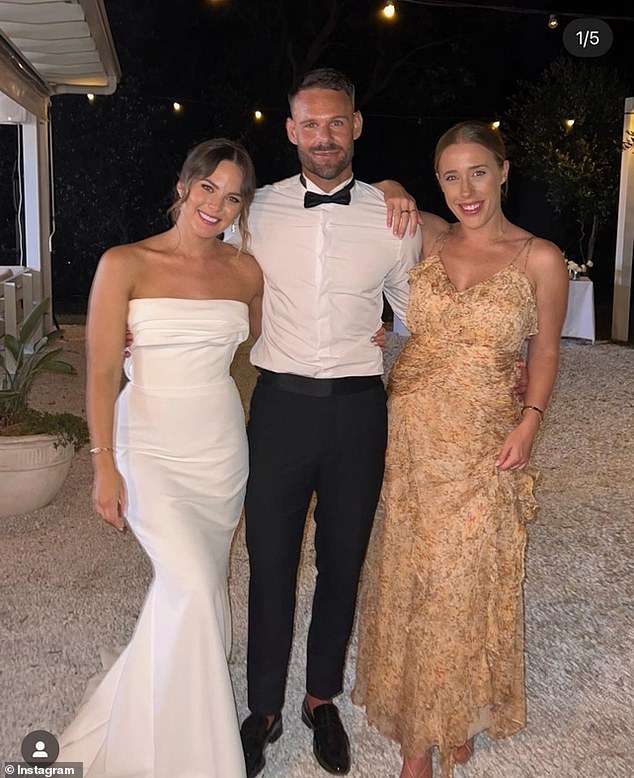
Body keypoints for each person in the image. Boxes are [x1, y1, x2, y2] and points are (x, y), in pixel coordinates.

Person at [352, 120, 569, 778]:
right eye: (450, 175)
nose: (466, 188)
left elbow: (548, 349)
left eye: (478, 171)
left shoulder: (540, 258)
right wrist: (392, 186)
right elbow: (382, 192)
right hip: (410, 437)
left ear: (504, 171)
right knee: (412, 580)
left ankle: (454, 713)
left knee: (466, 583)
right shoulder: (430, 236)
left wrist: (530, 420)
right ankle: (423, 737)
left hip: (484, 442)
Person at [236, 68, 422, 778]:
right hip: (279, 407)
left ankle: (320, 700)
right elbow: (205, 272)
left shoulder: (390, 215)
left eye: (335, 122)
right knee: (271, 565)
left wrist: (394, 338)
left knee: (342, 562)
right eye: (309, 124)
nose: (323, 136)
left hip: (357, 412)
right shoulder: (253, 212)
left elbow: (415, 316)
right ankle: (263, 709)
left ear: (356, 127)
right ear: (290, 131)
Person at [56, 138, 262, 777]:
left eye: (233, 198)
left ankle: (155, 724)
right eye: (208, 188)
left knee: (193, 593)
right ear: (183, 186)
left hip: (221, 448)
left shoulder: (245, 271)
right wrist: (103, 464)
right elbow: (98, 375)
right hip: (148, 443)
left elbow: (262, 345)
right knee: (196, 586)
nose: (217, 206)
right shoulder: (125, 263)